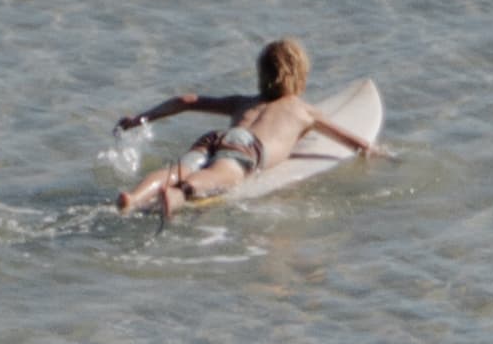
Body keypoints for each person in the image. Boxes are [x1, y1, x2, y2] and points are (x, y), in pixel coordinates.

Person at [110, 35, 368, 217]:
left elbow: (185, 101)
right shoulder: (304, 110)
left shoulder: (243, 102)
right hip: (247, 147)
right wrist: (376, 153)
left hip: (216, 137)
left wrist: (138, 120)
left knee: (177, 170)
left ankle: (134, 197)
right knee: (221, 176)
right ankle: (178, 194)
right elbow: (358, 144)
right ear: (300, 75)